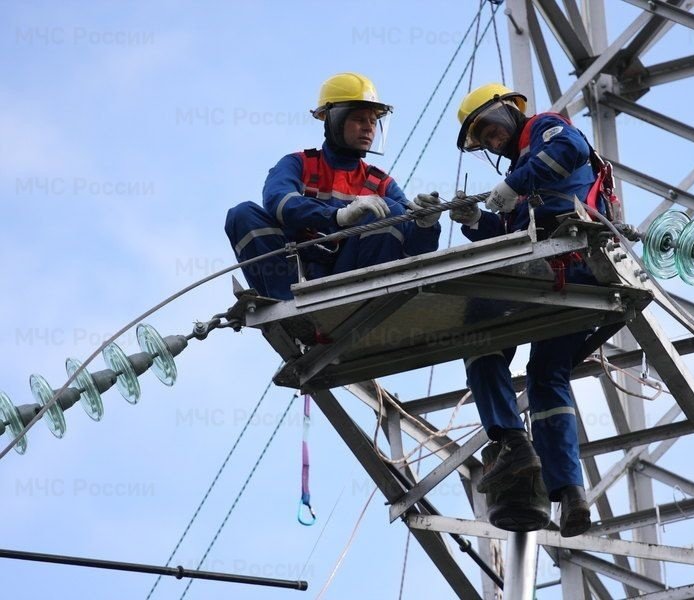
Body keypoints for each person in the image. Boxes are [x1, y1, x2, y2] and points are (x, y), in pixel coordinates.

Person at [451, 83, 621, 537]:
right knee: (548, 375)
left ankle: (509, 439)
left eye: (490, 129)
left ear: (508, 112)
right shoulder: (527, 174)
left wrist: (513, 183)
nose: (492, 141)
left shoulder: (544, 131)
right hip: (568, 277)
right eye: (483, 139)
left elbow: (571, 146)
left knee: (478, 335)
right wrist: (475, 222)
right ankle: (570, 494)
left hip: (563, 264)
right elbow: (508, 238)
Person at [224, 72, 442, 300]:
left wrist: (425, 225)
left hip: (349, 283)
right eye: (359, 119)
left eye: (373, 121)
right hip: (294, 276)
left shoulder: (380, 182)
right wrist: (338, 216)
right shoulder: (298, 164)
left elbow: (415, 253)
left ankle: (369, 299)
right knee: (242, 214)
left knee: (391, 211)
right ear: (334, 121)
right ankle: (287, 309)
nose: (369, 128)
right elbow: (278, 202)